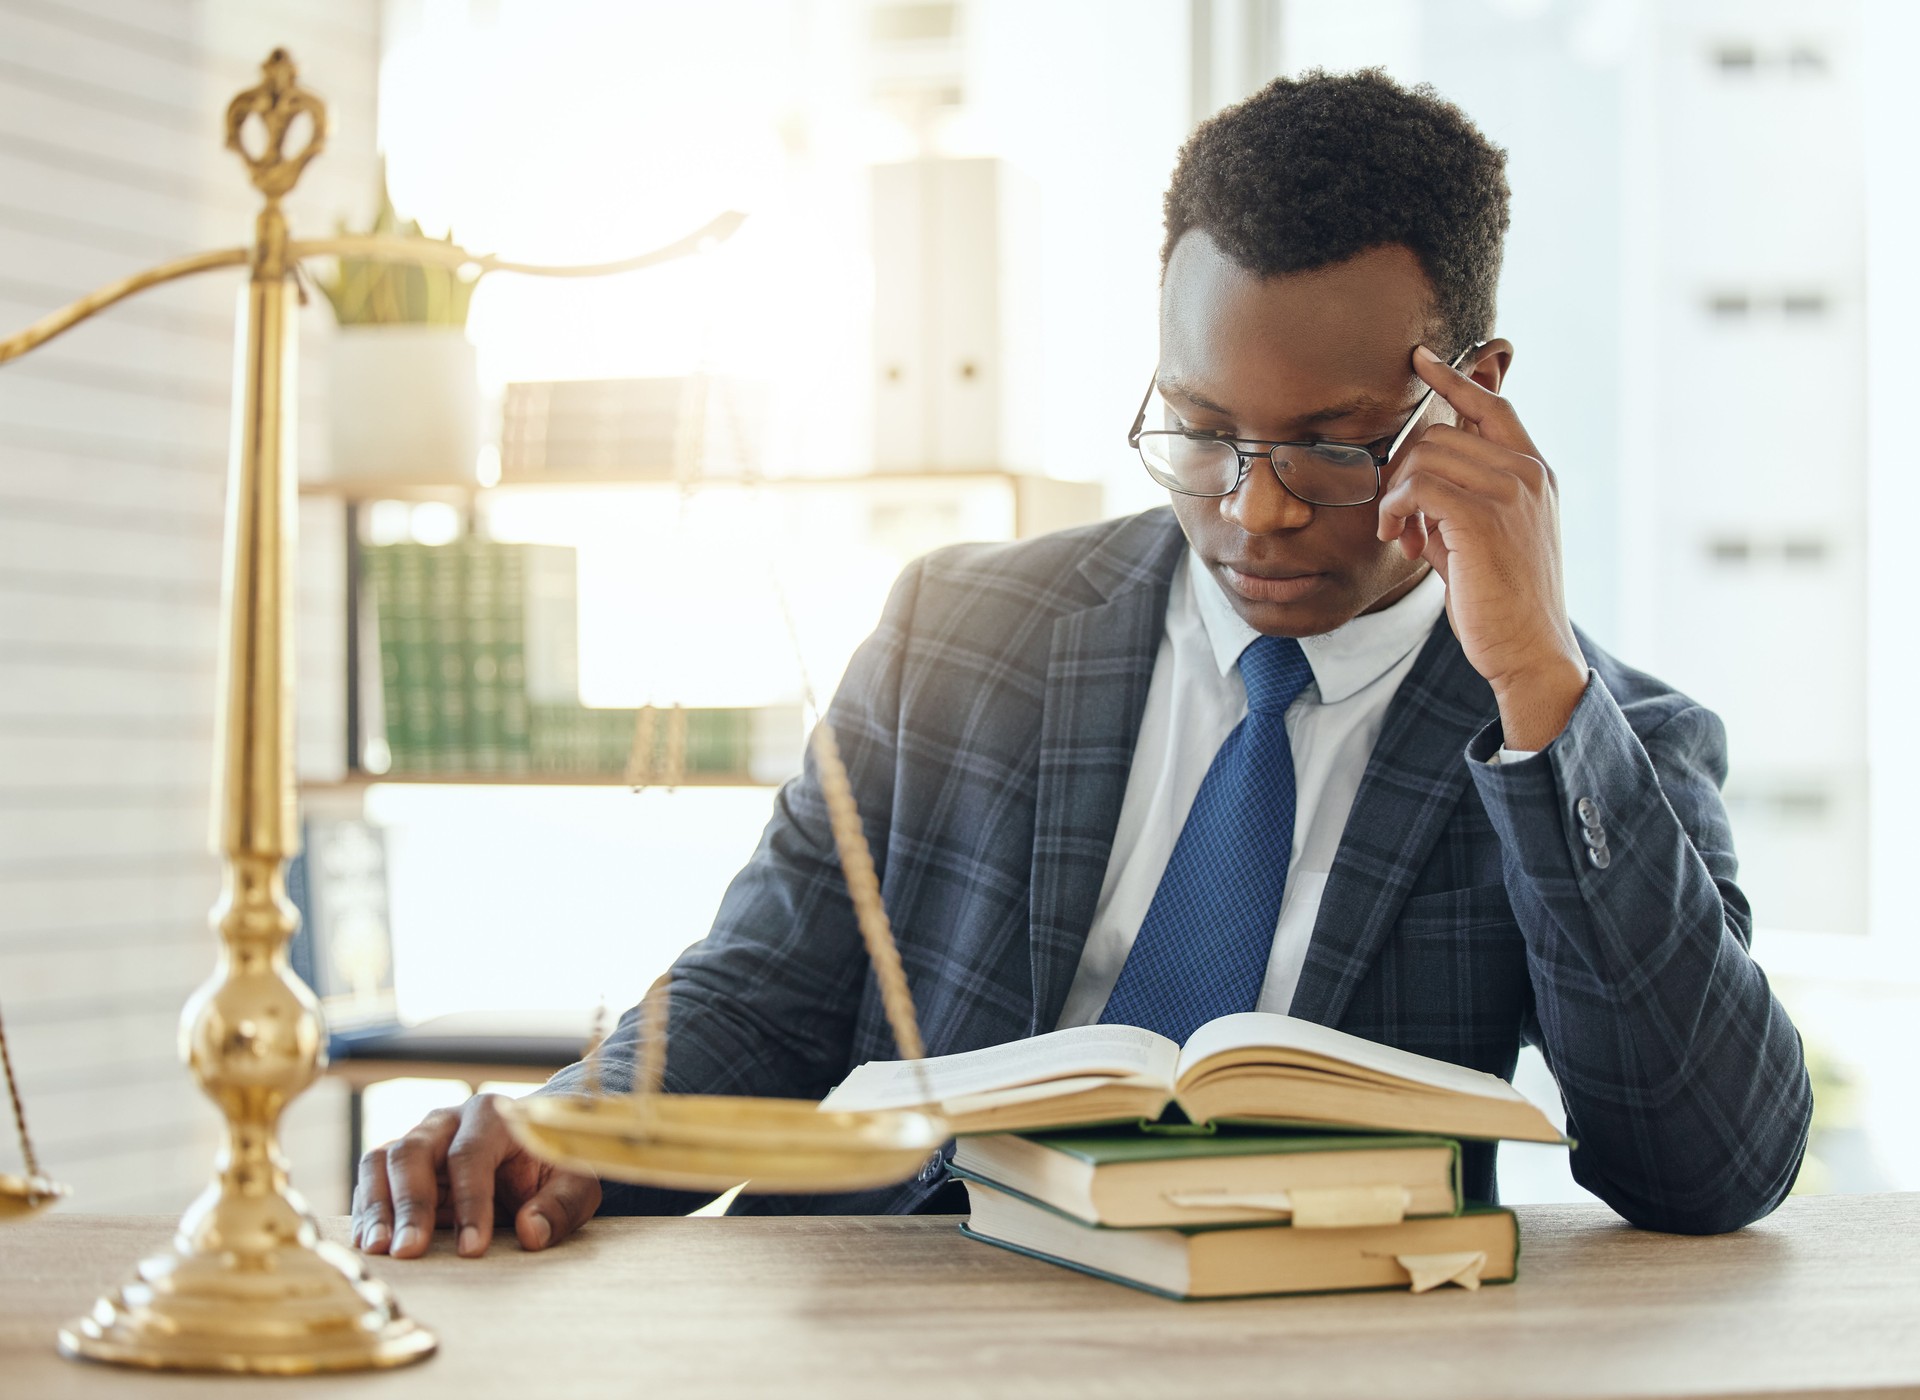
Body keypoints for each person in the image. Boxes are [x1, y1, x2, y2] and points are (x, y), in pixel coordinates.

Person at [352, 69, 1811, 1262]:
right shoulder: (958, 631)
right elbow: (765, 993)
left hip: (1310, 1345)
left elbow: (1709, 1167)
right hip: (917, 1321)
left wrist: (1536, 685)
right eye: (1202, 431)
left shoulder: (1593, 736)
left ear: (1472, 399)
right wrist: (567, 1127)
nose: (1256, 508)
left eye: (1331, 445)